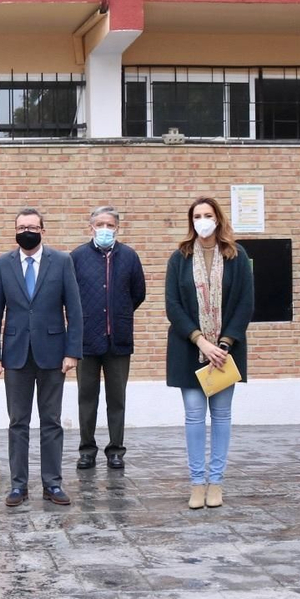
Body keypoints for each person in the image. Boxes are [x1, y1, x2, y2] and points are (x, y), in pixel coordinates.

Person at [0, 208, 83, 508]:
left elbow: (74, 310)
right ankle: (18, 486)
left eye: (32, 227)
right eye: (21, 227)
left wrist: (72, 352)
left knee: (51, 421)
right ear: (15, 231)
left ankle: (52, 483)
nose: (26, 231)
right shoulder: (3, 264)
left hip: (53, 354)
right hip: (16, 354)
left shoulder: (62, 261)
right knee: (18, 422)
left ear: (43, 230)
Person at [164, 197, 253, 511]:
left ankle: (216, 482)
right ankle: (196, 483)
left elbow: (245, 303)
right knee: (193, 416)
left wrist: (224, 344)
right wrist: (201, 341)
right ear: (191, 222)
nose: (203, 221)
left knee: (222, 416)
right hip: (189, 349)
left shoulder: (236, 255)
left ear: (218, 219)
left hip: (226, 352)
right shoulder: (180, 257)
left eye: (208, 215)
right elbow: (172, 305)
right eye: (197, 216)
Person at [69, 206, 145, 471]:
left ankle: (116, 450)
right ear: (90, 227)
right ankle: (87, 450)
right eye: (99, 224)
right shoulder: (77, 257)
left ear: (117, 228)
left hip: (118, 339)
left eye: (110, 225)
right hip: (86, 340)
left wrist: (119, 313)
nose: (104, 229)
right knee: (86, 398)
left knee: (117, 398)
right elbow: (69, 296)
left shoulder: (129, 256)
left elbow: (138, 293)